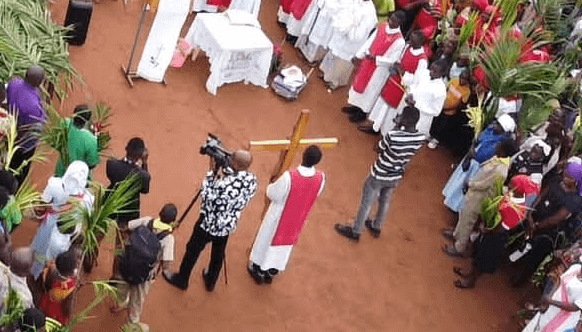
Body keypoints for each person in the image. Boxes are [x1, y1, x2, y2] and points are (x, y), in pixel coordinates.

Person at [162, 149, 257, 292]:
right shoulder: (252, 180)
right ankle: (211, 281)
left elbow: (206, 194)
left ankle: (182, 279)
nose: (228, 158)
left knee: (192, 250)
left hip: (208, 224)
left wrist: (212, 170)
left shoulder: (223, 185)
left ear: (235, 164)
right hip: (227, 225)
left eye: (231, 158)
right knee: (218, 254)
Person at [335, 105, 425, 241]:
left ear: (405, 121)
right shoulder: (420, 138)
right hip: (395, 175)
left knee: (366, 203)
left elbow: (378, 148)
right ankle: (376, 227)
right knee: (385, 200)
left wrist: (396, 127)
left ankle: (356, 231)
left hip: (379, 173)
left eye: (401, 117)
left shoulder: (393, 135)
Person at [247, 145, 324, 284]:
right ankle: (271, 271)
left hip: (279, 215)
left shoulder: (289, 177)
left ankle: (258, 269)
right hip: (298, 218)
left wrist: (272, 183)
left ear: (303, 155)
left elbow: (273, 194)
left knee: (267, 240)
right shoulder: (321, 178)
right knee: (283, 246)